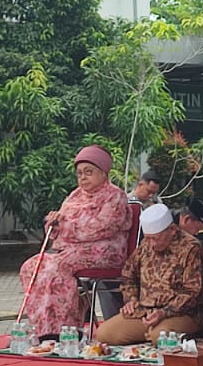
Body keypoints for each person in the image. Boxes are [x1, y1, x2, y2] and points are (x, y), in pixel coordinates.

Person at [18, 145, 131, 341]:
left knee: (57, 266)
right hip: (72, 249)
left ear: (103, 172)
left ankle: (65, 328)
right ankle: (43, 326)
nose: (83, 177)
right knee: (31, 265)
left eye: (89, 172)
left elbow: (103, 226)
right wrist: (54, 223)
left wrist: (66, 226)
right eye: (79, 173)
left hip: (105, 250)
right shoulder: (75, 195)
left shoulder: (115, 195)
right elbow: (61, 224)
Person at [96, 204, 203, 344]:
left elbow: (192, 292)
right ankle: (152, 332)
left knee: (160, 337)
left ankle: (181, 332)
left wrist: (164, 312)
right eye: (148, 238)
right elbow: (128, 274)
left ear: (172, 230)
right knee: (104, 333)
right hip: (145, 311)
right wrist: (131, 300)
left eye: (155, 238)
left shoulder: (191, 248)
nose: (151, 244)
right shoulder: (146, 245)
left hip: (183, 314)